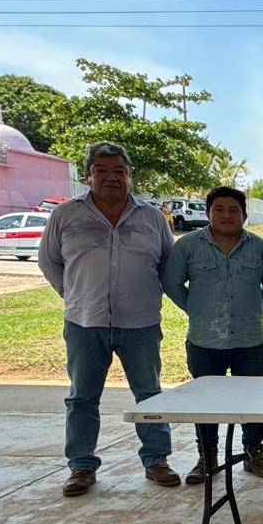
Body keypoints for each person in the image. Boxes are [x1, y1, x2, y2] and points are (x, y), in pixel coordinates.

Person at [39, 141, 180, 497]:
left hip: (141, 322)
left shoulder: (151, 217)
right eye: (101, 171)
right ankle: (81, 465)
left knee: (149, 395)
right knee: (82, 397)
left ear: (129, 174)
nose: (111, 178)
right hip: (85, 322)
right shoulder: (66, 216)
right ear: (87, 176)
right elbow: (49, 261)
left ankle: (156, 460)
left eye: (119, 171)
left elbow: (168, 263)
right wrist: (70, 293)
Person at [162, 186, 263, 482]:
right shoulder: (188, 246)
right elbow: (172, 283)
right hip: (204, 340)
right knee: (205, 403)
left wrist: (251, 310)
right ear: (208, 212)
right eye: (219, 209)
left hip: (249, 340)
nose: (227, 215)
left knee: (251, 401)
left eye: (233, 210)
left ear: (244, 214)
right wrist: (196, 309)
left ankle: (253, 453)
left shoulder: (260, 247)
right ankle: (207, 457)